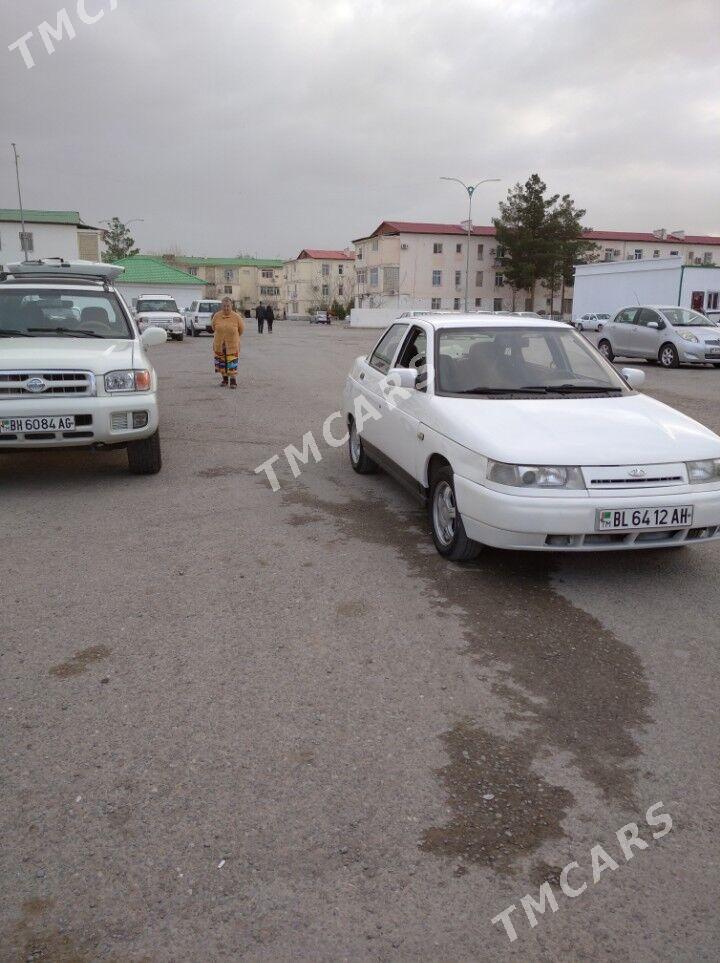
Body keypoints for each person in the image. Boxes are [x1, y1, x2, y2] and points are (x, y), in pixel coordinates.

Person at [212, 297, 245, 388]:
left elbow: (241, 330)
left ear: (231, 306)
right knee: (221, 362)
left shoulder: (236, 317)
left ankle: (233, 381)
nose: (226, 308)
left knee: (232, 362)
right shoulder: (217, 316)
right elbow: (213, 328)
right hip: (219, 344)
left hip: (232, 344)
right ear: (221, 306)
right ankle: (224, 380)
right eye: (224, 306)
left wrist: (234, 337)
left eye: (228, 306)